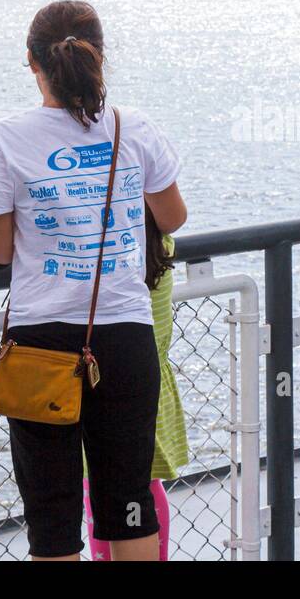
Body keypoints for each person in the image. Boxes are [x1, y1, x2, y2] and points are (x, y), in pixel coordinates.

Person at [0, 0, 187, 562]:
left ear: (31, 61)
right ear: (100, 56)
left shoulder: (5, 138)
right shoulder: (131, 126)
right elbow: (172, 218)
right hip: (123, 335)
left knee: (52, 516)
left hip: (40, 343)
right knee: (127, 503)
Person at [82, 207, 190, 561]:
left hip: (107, 387)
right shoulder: (160, 244)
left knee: (102, 490)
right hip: (149, 381)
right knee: (142, 486)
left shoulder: (105, 259)